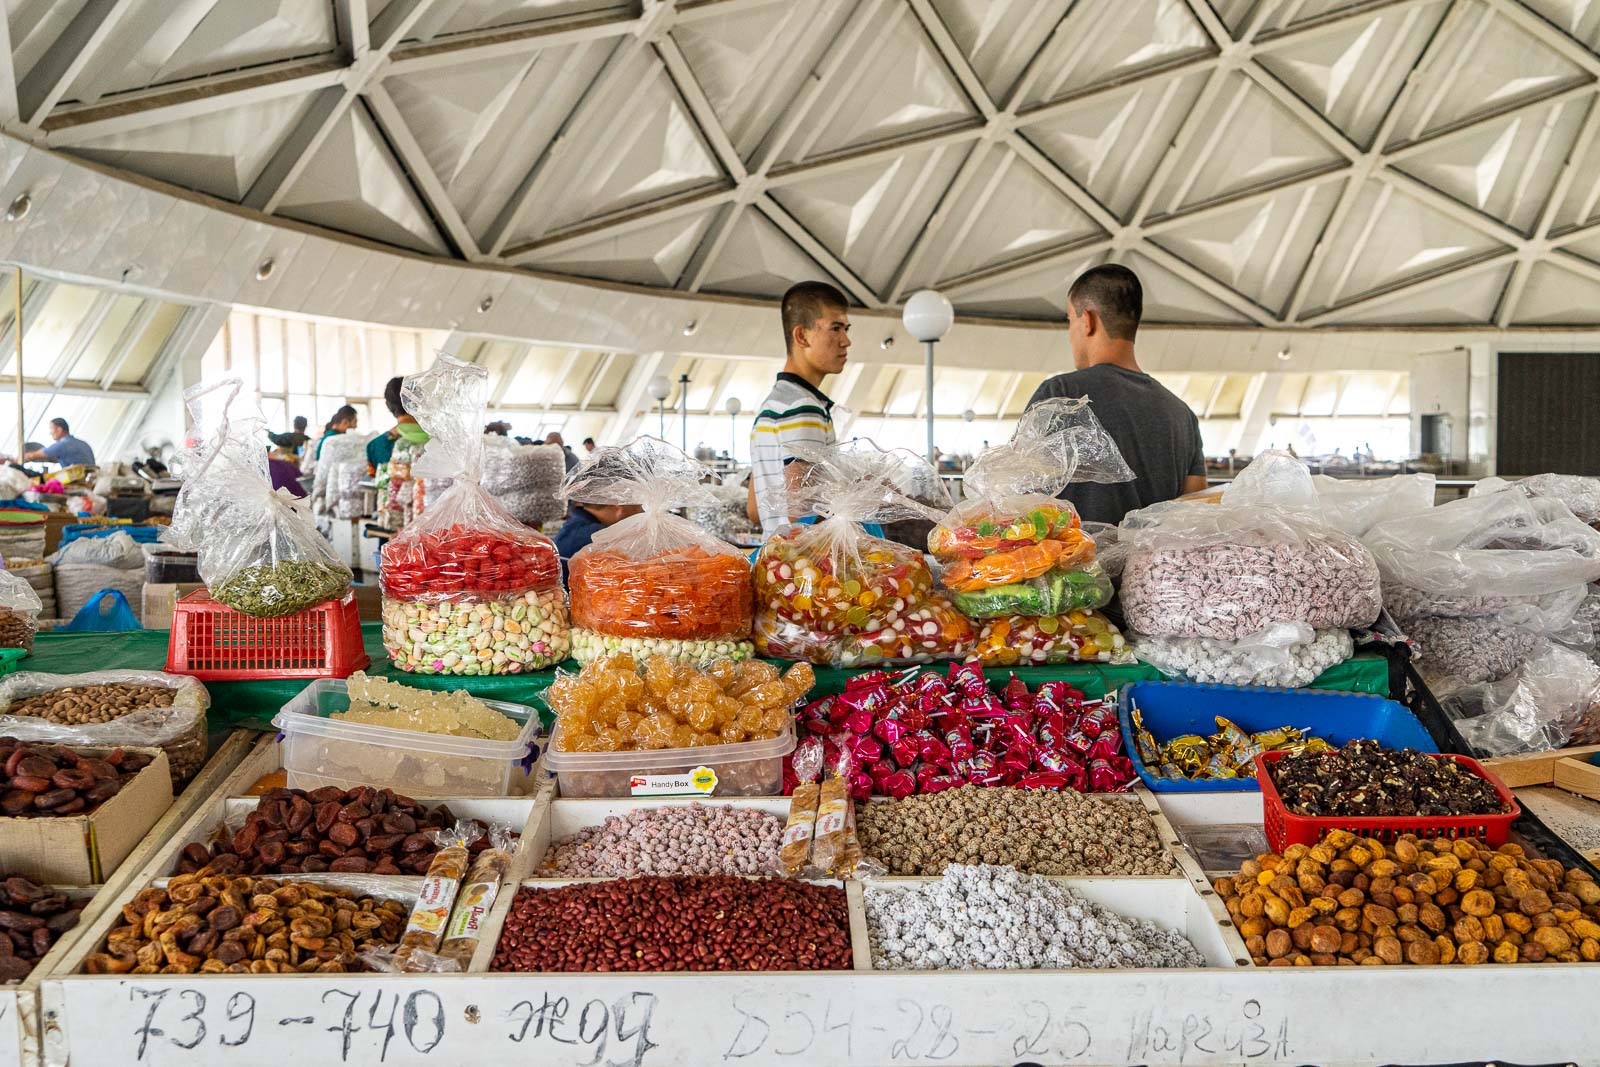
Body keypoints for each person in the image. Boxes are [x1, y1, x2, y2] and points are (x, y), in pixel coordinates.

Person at [1023, 264, 1205, 526]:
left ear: (1087, 321)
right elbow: (1196, 513)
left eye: (1069, 320)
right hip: (1150, 567)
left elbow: (1021, 498)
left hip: (1076, 566)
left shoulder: (1061, 395)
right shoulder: (1183, 415)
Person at [748, 281, 851, 535]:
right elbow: (802, 514)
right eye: (835, 328)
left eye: (846, 329)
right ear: (801, 336)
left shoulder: (772, 406)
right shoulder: (804, 408)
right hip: (804, 568)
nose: (846, 341)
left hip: (777, 564)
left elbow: (753, 509)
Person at [554, 499, 642, 583]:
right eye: (637, 509)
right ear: (619, 508)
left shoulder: (574, 524)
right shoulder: (601, 535)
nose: (639, 513)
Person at [368, 377, 429, 470]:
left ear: (387, 405)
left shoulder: (374, 446)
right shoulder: (441, 439)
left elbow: (372, 481)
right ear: (419, 401)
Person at [24, 418, 95, 466]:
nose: (50, 433)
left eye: (51, 429)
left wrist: (21, 458)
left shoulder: (63, 445)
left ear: (59, 430)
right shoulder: (83, 443)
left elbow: (35, 455)